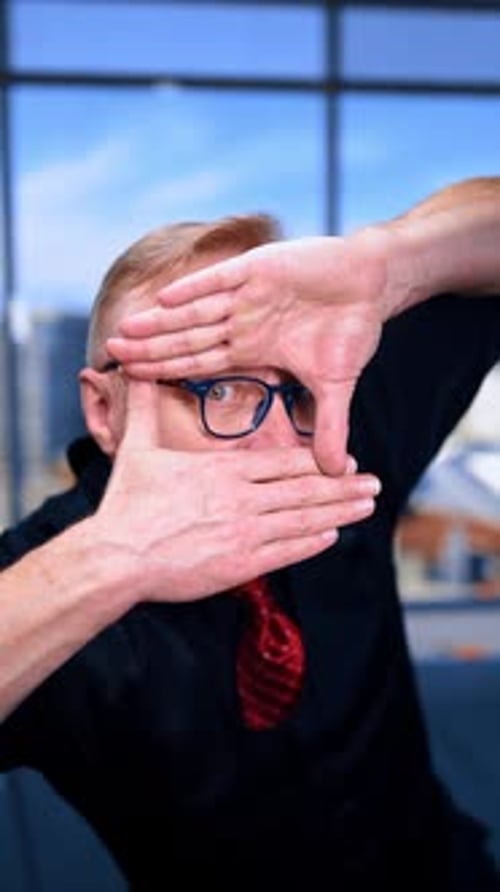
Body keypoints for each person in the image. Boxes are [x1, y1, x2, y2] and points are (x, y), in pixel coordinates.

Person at [0, 180, 499, 891]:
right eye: (220, 388)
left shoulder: (332, 430)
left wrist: (384, 263)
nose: (276, 445)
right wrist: (110, 560)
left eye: (290, 386)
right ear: (104, 411)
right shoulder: (47, 569)